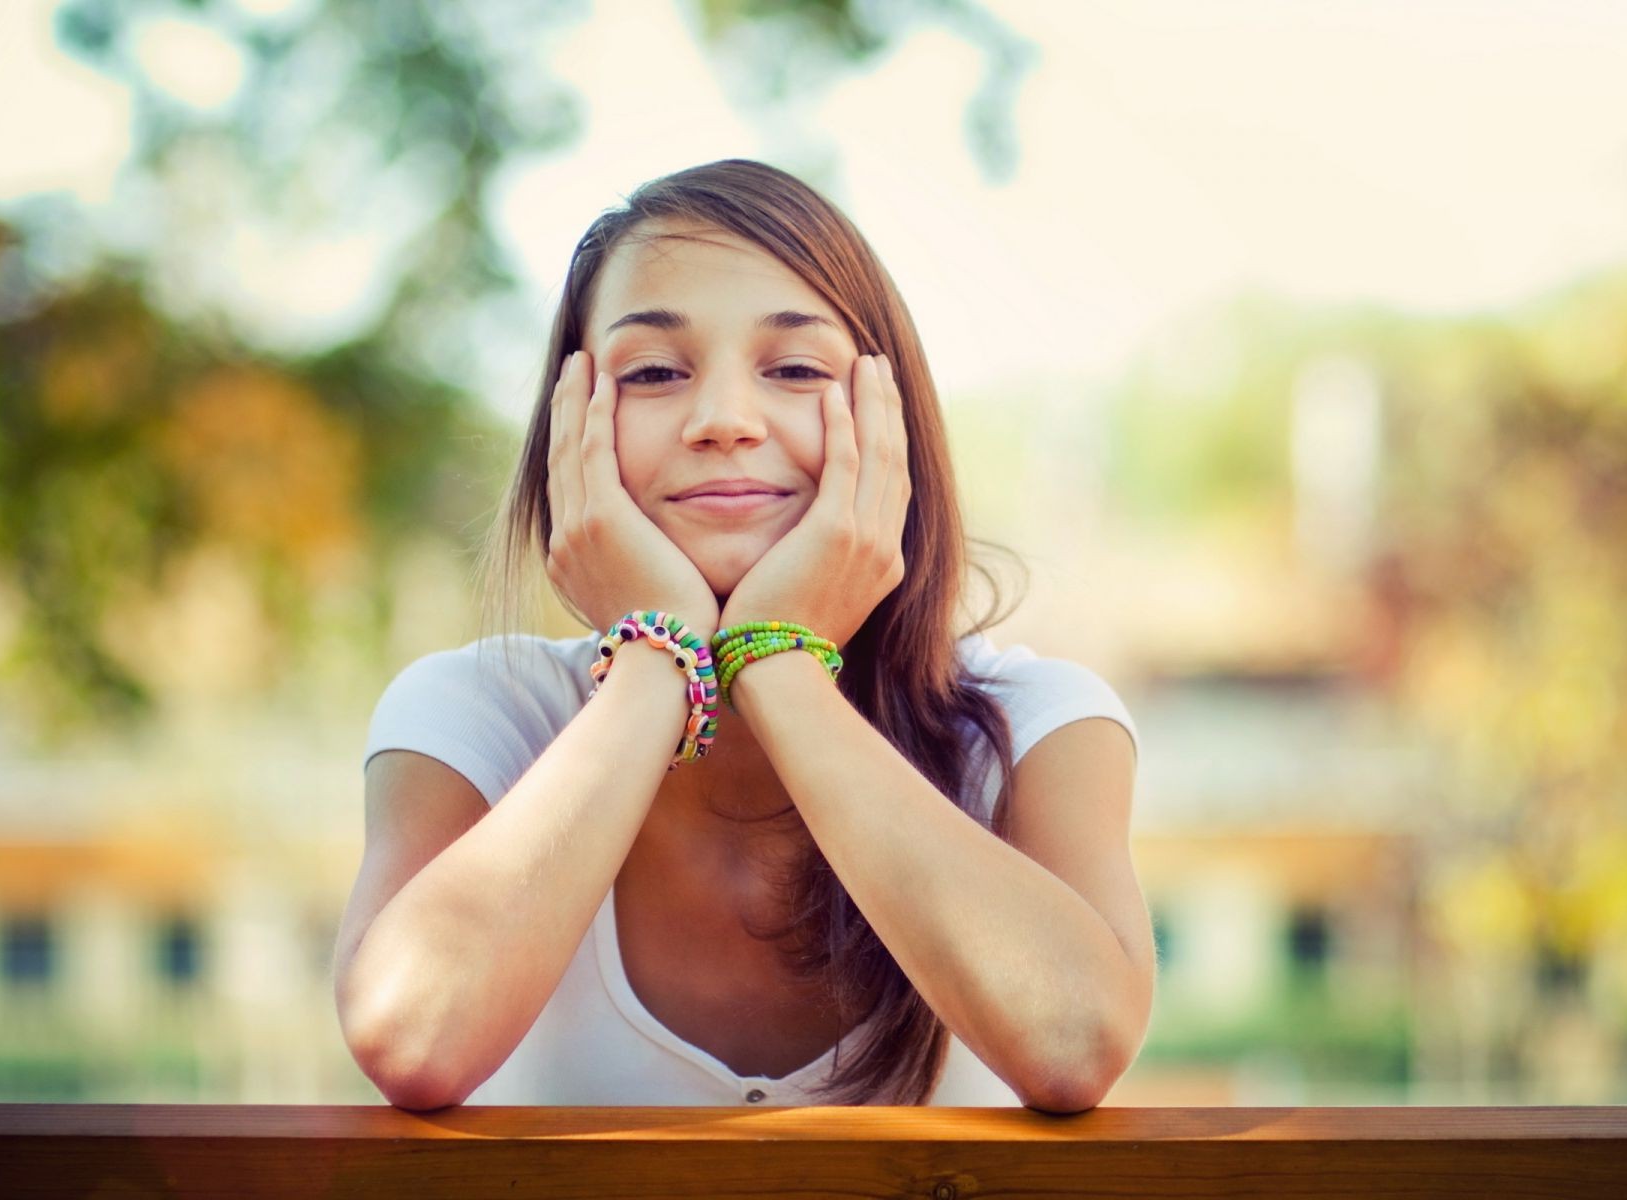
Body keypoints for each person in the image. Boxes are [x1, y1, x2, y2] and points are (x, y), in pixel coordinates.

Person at [336, 159, 1151, 1111]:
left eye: (796, 369)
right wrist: (658, 657)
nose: (724, 420)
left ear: (894, 423)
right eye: (652, 373)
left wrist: (779, 660)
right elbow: (410, 1037)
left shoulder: (1036, 726)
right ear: (570, 425)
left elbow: (1075, 1042)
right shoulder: (478, 717)